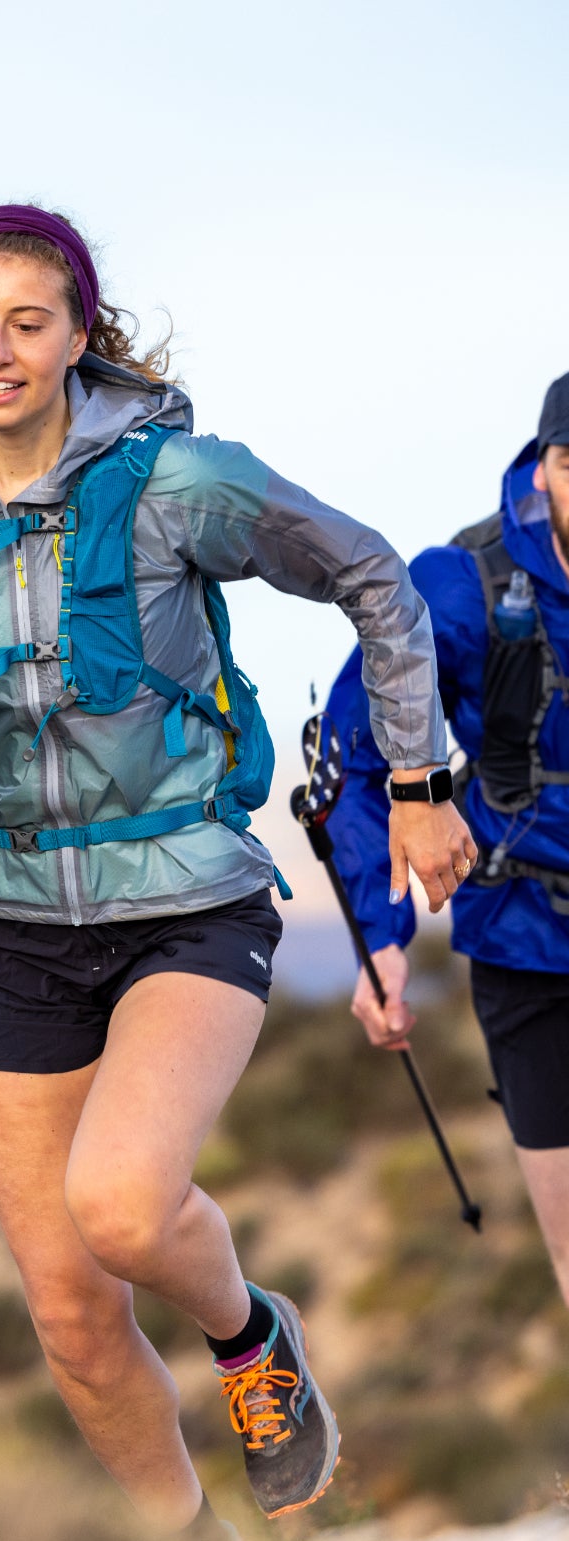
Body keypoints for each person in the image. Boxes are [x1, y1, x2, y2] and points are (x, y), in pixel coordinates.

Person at [0, 204, 472, 1541]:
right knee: (73, 1319)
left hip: (188, 903)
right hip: (8, 930)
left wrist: (421, 783)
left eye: (27, 323)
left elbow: (374, 575)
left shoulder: (178, 481)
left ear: (78, 333)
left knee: (125, 1206)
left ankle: (251, 1341)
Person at [325, 373, 569, 1307]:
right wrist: (381, 939)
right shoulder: (462, 588)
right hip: (527, 943)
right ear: (543, 468)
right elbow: (358, 762)